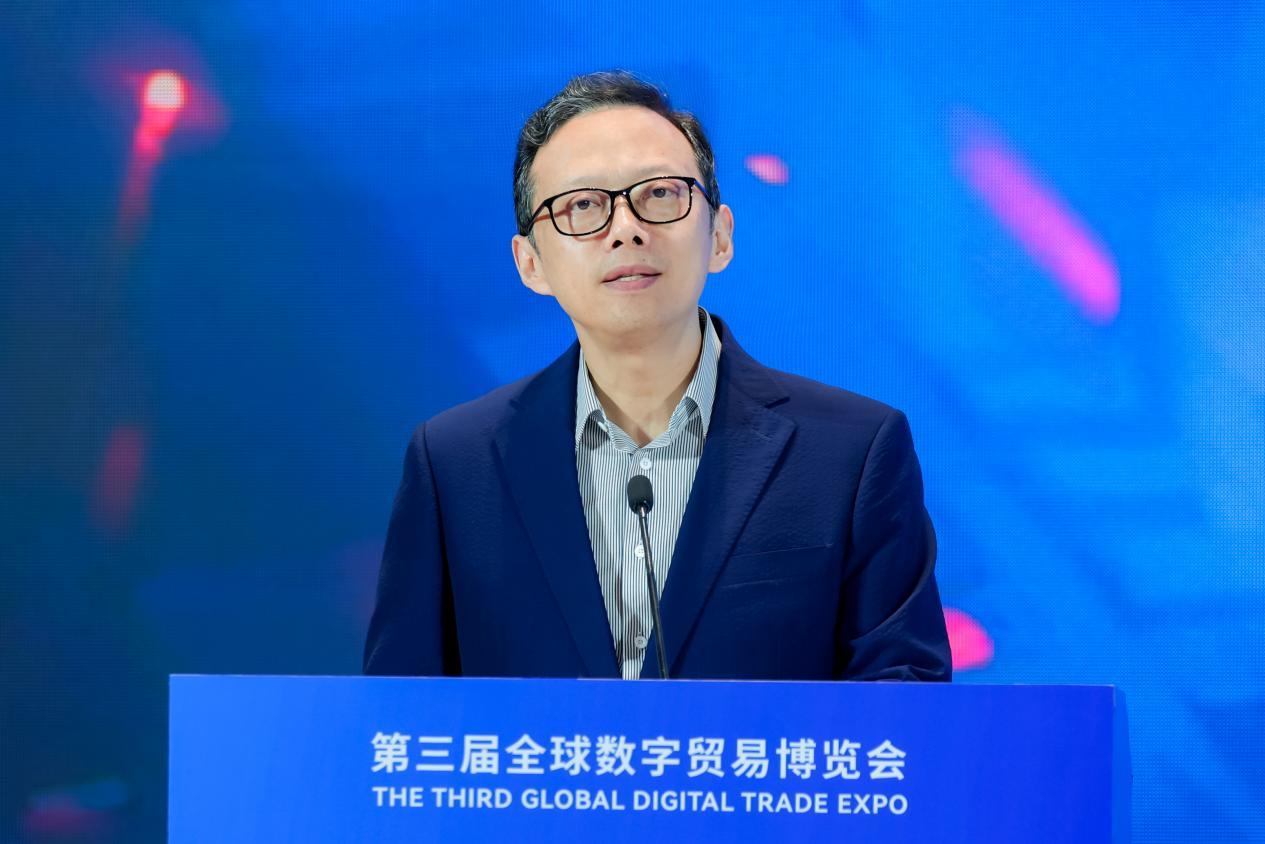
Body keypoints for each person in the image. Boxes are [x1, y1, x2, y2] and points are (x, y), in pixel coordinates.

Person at [363, 71, 951, 681]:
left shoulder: (852, 451)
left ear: (720, 236)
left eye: (660, 194)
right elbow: (402, 709)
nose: (626, 228)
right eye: (583, 205)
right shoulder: (455, 464)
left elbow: (905, 698)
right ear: (530, 263)